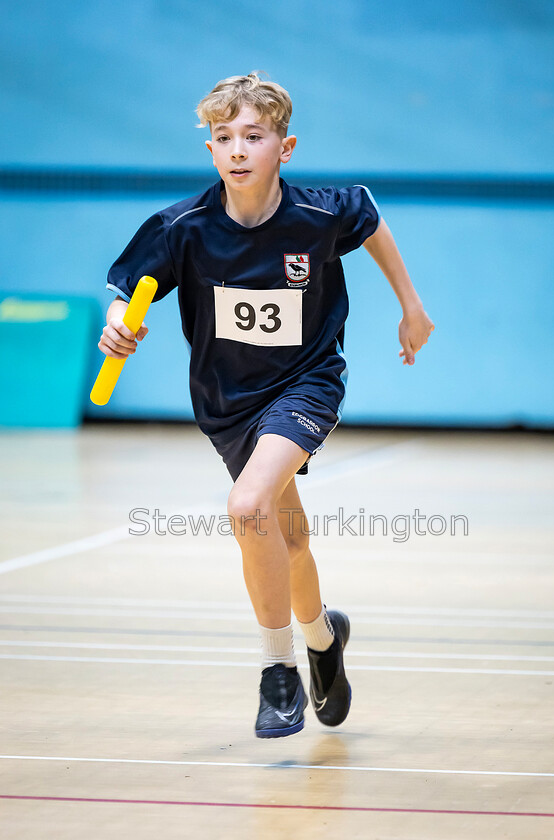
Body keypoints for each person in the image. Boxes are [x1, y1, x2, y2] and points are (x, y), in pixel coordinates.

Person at [99, 72, 434, 739]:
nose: (238, 149)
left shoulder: (319, 212)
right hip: (227, 402)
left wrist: (411, 307)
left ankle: (277, 672)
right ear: (212, 151)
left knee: (248, 507)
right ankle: (321, 638)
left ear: (285, 146)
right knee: (287, 538)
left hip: (306, 383)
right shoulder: (182, 228)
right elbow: (128, 289)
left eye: (254, 135)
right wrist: (118, 320)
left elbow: (369, 217)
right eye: (224, 138)